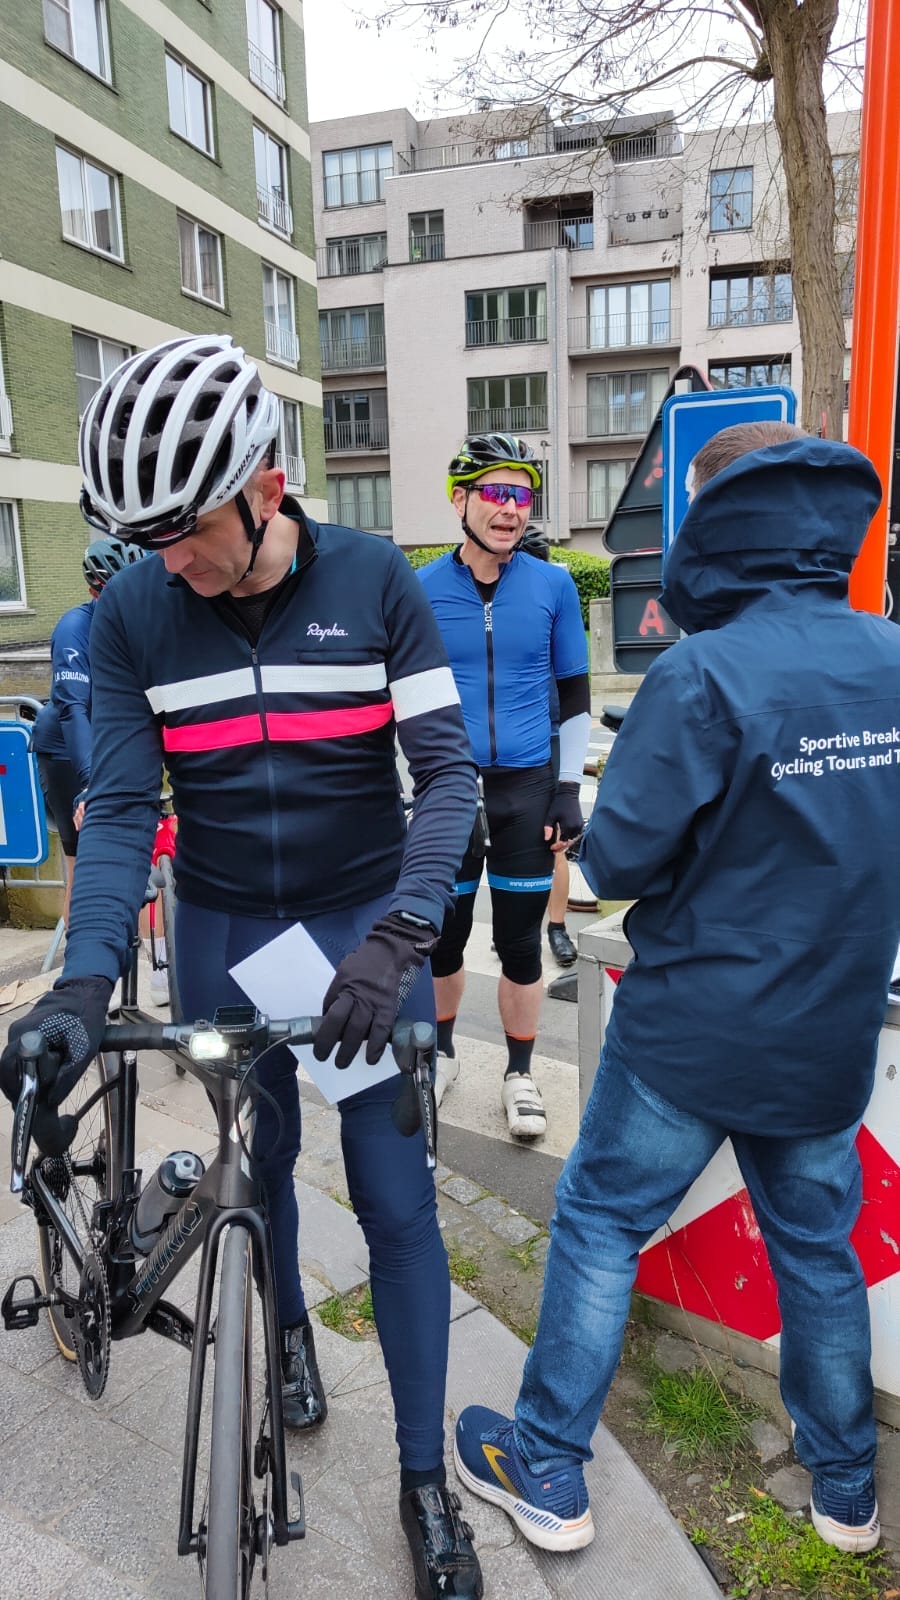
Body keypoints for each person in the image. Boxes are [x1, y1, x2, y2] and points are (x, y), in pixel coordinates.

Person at [0, 335, 483, 1598]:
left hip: (357, 922)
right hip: (221, 922)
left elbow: (448, 781)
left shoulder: (380, 579)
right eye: (143, 536)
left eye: (183, 530)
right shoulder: (134, 614)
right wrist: (81, 986)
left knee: (391, 1196)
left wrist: (401, 934)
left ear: (264, 486)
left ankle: (425, 1485)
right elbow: (116, 811)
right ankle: (284, 1341)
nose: (166, 559)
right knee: (251, 1164)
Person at [453, 422, 900, 1559]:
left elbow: (618, 864)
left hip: (695, 1027)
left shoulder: (701, 671)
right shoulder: (891, 654)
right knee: (818, 1249)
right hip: (830, 1029)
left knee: (602, 1221)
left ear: (719, 523)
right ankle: (848, 1492)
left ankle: (548, 1464)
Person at [418, 435, 591, 1138]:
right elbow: (394, 698)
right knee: (443, 941)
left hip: (527, 789)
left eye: (522, 496)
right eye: (496, 492)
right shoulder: (421, 589)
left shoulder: (552, 586)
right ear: (459, 499)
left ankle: (520, 1074)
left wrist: (569, 789)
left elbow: (575, 696)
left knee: (521, 946)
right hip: (448, 790)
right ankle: (442, 1055)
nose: (511, 509)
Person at [30, 538, 146, 929]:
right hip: (65, 748)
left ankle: (161, 967)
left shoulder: (140, 624)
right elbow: (73, 709)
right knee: (83, 864)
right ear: (94, 589)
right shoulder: (75, 627)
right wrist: (89, 784)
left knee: (147, 858)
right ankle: (82, 974)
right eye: (112, 592)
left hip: (111, 740)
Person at [519, 524, 577, 969]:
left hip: (554, 733)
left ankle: (556, 927)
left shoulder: (558, 600)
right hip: (505, 750)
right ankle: (518, 926)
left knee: (555, 843)